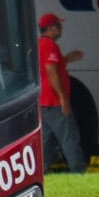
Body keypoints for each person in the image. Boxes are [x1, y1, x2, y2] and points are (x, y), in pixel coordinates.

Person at [37, 13, 86, 172]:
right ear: (51, 28)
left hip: (44, 103)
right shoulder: (50, 45)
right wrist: (63, 98)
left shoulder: (40, 44)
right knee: (69, 139)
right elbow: (51, 71)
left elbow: (50, 66)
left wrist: (66, 59)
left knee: (47, 142)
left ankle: (41, 173)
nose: (61, 29)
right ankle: (79, 173)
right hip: (54, 102)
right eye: (58, 25)